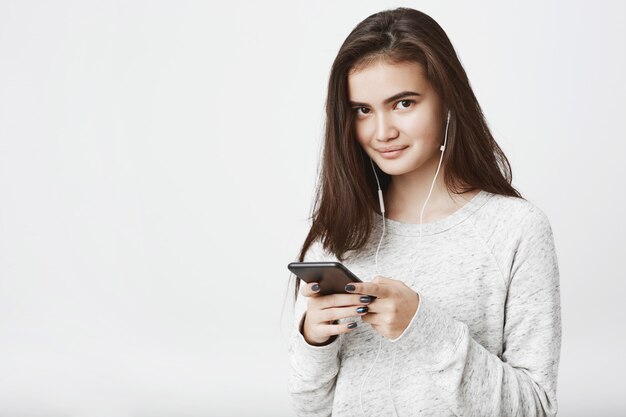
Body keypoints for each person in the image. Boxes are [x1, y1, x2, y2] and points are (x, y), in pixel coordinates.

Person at [286, 7, 561, 417]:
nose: (382, 132)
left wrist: (423, 327)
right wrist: (314, 340)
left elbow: (534, 410)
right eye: (362, 110)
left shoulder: (516, 230)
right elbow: (309, 408)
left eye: (403, 103)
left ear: (447, 99)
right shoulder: (337, 236)